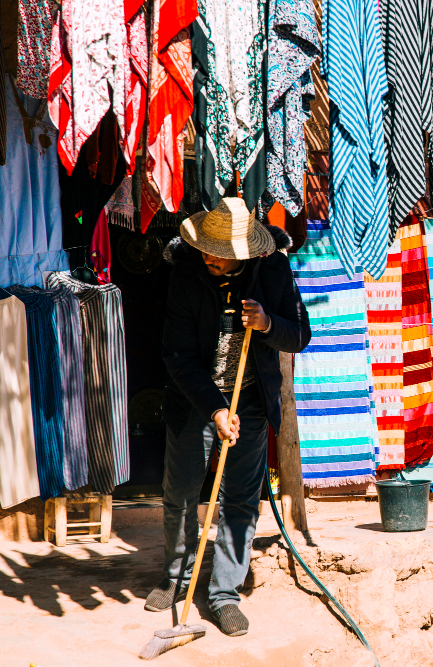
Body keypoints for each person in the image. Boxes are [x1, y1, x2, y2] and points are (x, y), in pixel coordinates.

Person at [145, 198, 310, 636]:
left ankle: (224, 594)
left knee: (239, 497)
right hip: (195, 398)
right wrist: (215, 408)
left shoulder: (271, 270)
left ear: (243, 253)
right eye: (207, 248)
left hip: (251, 398)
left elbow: (299, 335)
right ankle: (178, 578)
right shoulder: (186, 270)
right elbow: (177, 355)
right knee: (180, 490)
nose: (209, 257)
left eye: (220, 253)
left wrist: (269, 323)